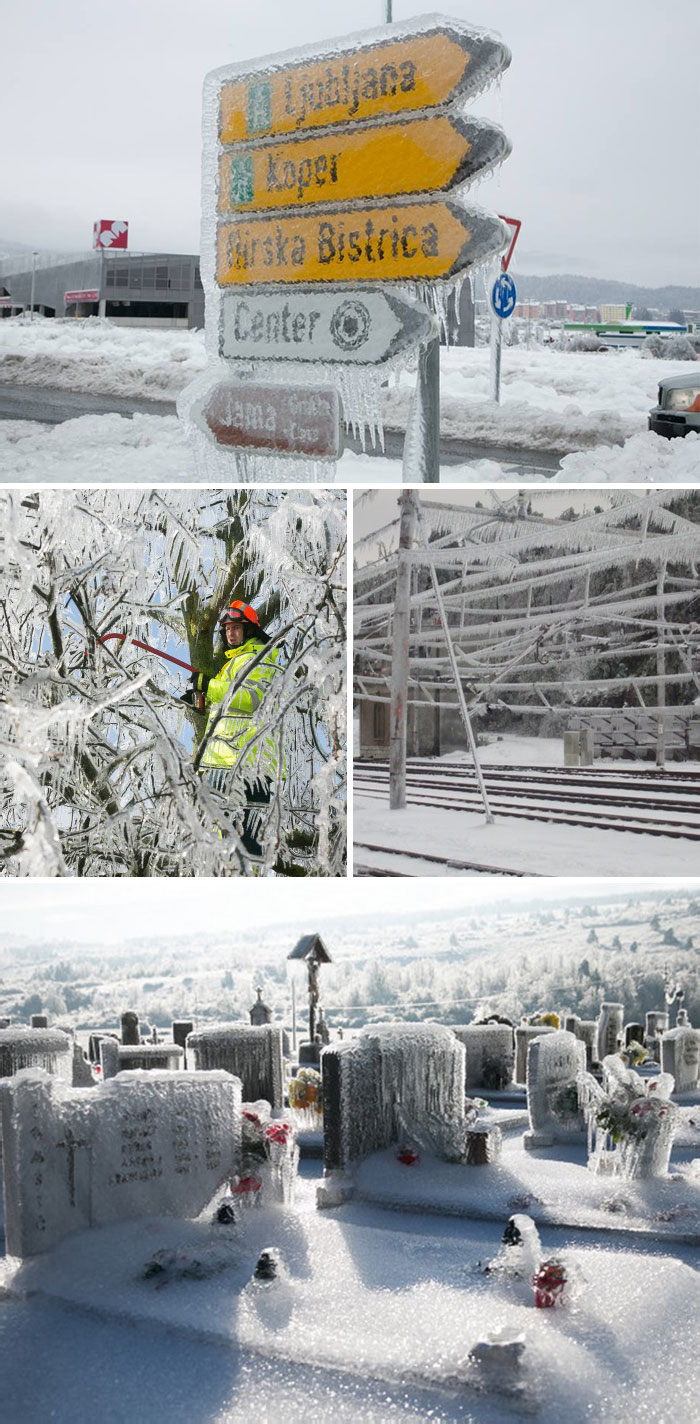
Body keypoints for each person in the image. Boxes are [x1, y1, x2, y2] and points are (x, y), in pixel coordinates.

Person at [181, 601, 281, 860]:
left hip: (245, 766)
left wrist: (209, 686)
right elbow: (228, 708)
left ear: (249, 630)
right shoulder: (233, 664)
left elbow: (251, 698)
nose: (230, 633)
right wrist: (201, 698)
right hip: (223, 764)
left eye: (236, 628)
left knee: (244, 846)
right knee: (222, 845)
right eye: (227, 629)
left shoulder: (256, 659)